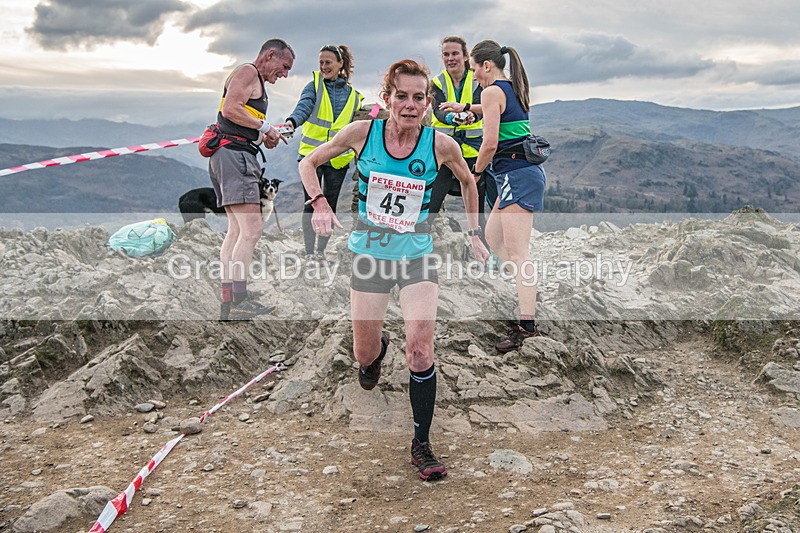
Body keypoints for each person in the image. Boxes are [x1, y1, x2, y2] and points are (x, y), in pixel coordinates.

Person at [298, 59, 489, 481]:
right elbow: (308, 163)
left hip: (417, 256)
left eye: (418, 98)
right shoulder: (361, 134)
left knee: (420, 349)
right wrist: (320, 203)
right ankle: (374, 355)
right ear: (386, 99)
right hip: (368, 256)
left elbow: (470, 182)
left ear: (427, 104)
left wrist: (475, 233)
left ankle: (421, 444)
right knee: (363, 354)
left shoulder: (440, 145)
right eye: (401, 96)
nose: (409, 104)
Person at [469, 40, 546, 352]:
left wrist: (474, 172)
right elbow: (495, 111)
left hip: (515, 174)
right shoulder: (512, 87)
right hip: (519, 173)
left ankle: (526, 327)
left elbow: (488, 143)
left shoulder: (490, 92)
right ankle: (526, 289)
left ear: (487, 66)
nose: (473, 74)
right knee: (494, 237)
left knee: (517, 252)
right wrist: (465, 109)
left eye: (474, 68)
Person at [209, 39, 295, 321]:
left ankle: (228, 299)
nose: (284, 75)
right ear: (270, 55)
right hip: (235, 158)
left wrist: (261, 136)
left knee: (235, 232)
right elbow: (230, 109)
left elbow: (238, 119)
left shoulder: (251, 78)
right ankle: (241, 300)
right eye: (284, 67)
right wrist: (266, 127)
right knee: (252, 230)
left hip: (230, 154)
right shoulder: (248, 73)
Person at [285, 45, 363, 265]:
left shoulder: (354, 96)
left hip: (338, 159)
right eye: (321, 62)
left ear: (340, 64)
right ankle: (309, 252)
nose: (324, 66)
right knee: (311, 204)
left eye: (328, 62)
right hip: (311, 157)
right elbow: (304, 107)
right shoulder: (314, 87)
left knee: (331, 204)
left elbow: (362, 119)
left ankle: (320, 252)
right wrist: (292, 122)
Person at [428, 36, 491, 229]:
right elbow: (438, 109)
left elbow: (483, 105)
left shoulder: (476, 79)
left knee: (477, 207)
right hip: (444, 151)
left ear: (465, 56)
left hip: (473, 151)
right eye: (446, 54)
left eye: (455, 53)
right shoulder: (437, 82)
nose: (450, 58)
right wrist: (451, 118)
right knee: (432, 202)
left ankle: (482, 250)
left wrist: (473, 116)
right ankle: (419, 247)